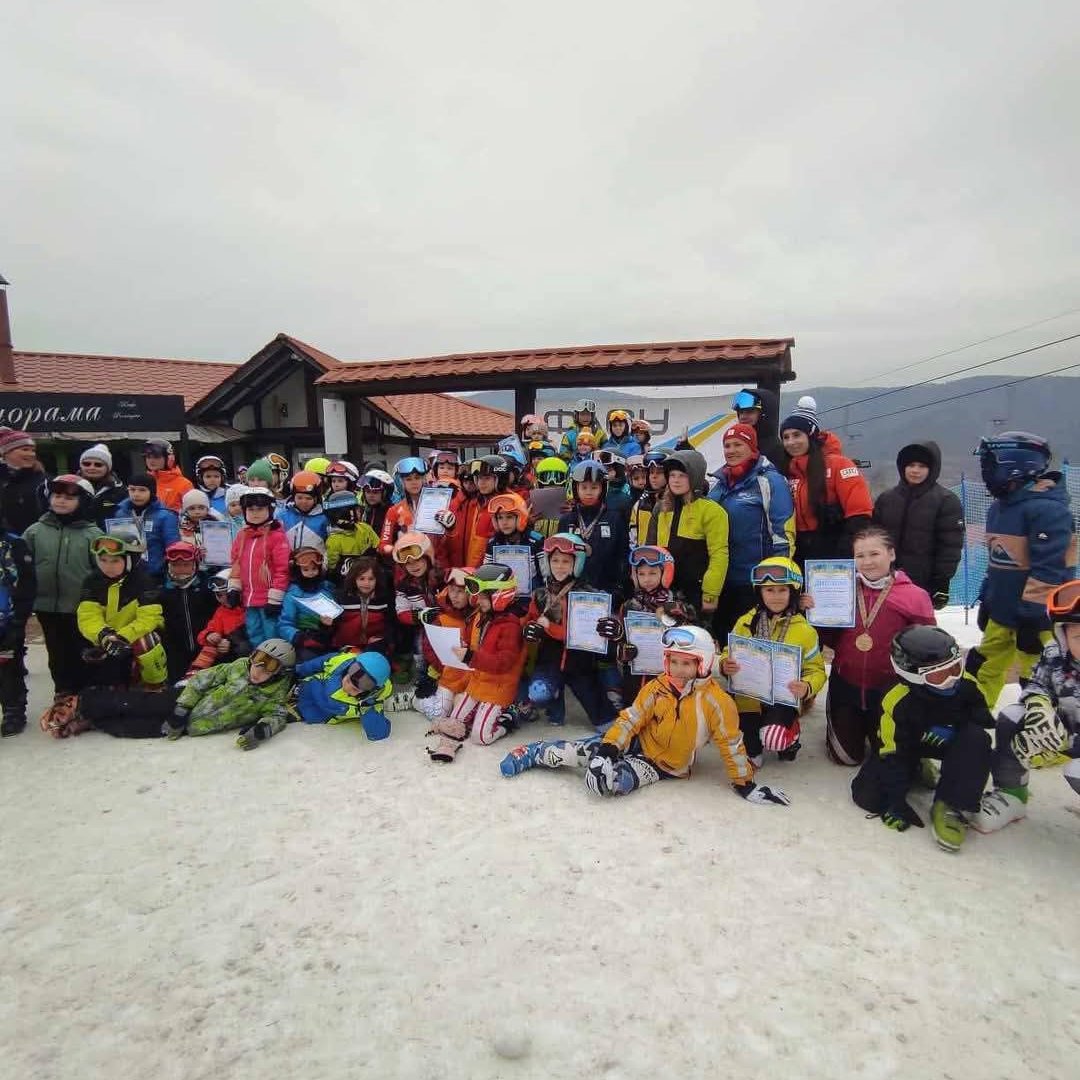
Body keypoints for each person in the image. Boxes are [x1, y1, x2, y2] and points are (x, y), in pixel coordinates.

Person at [500, 624, 791, 807]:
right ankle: (536, 753)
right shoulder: (657, 687)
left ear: (703, 664)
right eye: (673, 662)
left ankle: (606, 770)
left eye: (687, 664)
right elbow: (631, 719)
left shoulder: (717, 702)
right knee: (582, 752)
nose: (678, 670)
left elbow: (731, 744)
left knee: (608, 784)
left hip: (665, 766)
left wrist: (746, 784)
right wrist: (608, 749)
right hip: (638, 741)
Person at [851, 626, 993, 853]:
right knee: (868, 796)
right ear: (911, 675)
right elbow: (890, 751)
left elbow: (983, 718)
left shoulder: (967, 685)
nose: (951, 680)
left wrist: (954, 725)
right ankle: (916, 767)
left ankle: (951, 803)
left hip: (952, 742)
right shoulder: (896, 700)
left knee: (977, 739)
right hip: (907, 745)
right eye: (938, 675)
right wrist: (895, 801)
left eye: (955, 668)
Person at [808, 526, 935, 766]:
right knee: (845, 758)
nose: (867, 562)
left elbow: (927, 648)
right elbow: (827, 638)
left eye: (874, 554)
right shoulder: (841, 588)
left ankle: (887, 730)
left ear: (891, 554)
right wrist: (815, 612)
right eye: (860, 555)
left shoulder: (915, 596)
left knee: (887, 757)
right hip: (847, 684)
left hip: (890, 689)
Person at [966, 431, 1075, 711]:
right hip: (1003, 612)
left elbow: (1051, 570)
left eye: (990, 464)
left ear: (1014, 465)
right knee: (983, 665)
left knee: (1038, 673)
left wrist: (1033, 617)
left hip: (1038, 618)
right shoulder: (998, 509)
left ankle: (1041, 723)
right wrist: (988, 599)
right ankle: (974, 718)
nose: (986, 473)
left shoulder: (1049, 511)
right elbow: (997, 562)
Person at [973, 579, 1080, 832]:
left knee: (1076, 770)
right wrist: (1039, 708)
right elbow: (1038, 684)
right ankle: (1012, 795)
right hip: (1068, 727)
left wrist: (1066, 742)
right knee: (1013, 717)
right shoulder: (1055, 654)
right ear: (1063, 635)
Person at [717, 558, 826, 767]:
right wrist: (724, 665)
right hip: (748, 698)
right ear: (760, 592)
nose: (776, 596)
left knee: (773, 738)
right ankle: (755, 741)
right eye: (769, 590)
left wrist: (807, 686)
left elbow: (817, 670)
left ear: (793, 592)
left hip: (783, 698)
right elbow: (728, 651)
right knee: (750, 757)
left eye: (782, 590)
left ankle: (789, 734)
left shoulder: (804, 630)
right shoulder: (745, 621)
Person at [501, 532, 614, 732]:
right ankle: (555, 703)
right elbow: (529, 619)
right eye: (555, 561)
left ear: (576, 564)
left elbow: (576, 633)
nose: (559, 566)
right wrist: (529, 629)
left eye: (565, 561)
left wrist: (548, 627)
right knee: (538, 692)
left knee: (604, 720)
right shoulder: (541, 594)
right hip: (550, 660)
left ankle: (604, 718)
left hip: (580, 664)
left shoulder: (588, 596)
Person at [425, 565, 526, 761]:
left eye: (483, 597)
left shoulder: (511, 625)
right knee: (455, 723)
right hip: (478, 681)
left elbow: (503, 662)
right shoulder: (484, 615)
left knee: (480, 736)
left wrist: (470, 657)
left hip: (498, 688)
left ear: (499, 596)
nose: (478, 601)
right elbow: (474, 642)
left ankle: (509, 717)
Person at [708, 422, 795, 639]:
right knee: (723, 642)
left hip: (755, 582)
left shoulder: (770, 480)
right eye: (727, 445)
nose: (731, 450)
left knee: (751, 643)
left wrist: (778, 579)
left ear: (752, 447)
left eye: (738, 444)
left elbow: (783, 533)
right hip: (723, 580)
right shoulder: (719, 483)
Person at [24, 475, 103, 710]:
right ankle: (63, 691)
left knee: (82, 650)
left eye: (69, 498)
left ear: (83, 501)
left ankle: (85, 694)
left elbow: (101, 572)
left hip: (81, 607)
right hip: (46, 605)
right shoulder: (35, 531)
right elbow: (21, 567)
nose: (61, 501)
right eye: (57, 495)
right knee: (57, 651)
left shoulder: (92, 534)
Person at [594, 544, 696, 713]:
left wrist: (679, 615)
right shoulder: (629, 606)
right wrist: (621, 646)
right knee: (633, 713)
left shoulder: (679, 605)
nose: (647, 579)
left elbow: (693, 639)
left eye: (652, 573)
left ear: (665, 574)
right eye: (641, 574)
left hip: (667, 676)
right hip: (635, 676)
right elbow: (622, 644)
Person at [872, 441, 964, 609]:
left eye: (922, 466)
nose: (915, 470)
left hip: (922, 582)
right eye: (911, 465)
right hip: (884, 579)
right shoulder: (886, 499)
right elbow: (874, 538)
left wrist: (942, 582)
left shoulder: (946, 501)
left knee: (917, 624)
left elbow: (950, 546)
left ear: (932, 469)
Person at [638, 449, 728, 617]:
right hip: (664, 591)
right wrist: (646, 584)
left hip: (695, 593)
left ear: (694, 477)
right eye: (672, 475)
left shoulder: (712, 511)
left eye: (682, 475)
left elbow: (719, 555)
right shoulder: (662, 508)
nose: (676, 480)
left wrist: (710, 593)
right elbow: (650, 549)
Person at [779, 404, 872, 563]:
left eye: (797, 435)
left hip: (834, 549)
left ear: (811, 436)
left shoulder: (839, 465)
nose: (791, 442)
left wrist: (845, 551)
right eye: (786, 437)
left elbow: (860, 512)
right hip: (798, 551)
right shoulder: (786, 470)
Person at [75, 534, 168, 689]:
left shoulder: (145, 581)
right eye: (103, 560)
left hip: (133, 637)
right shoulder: (92, 581)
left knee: (147, 643)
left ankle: (155, 687)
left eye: (115, 561)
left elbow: (149, 619)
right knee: (81, 647)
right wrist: (104, 635)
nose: (108, 566)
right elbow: (88, 616)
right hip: (105, 639)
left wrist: (122, 637)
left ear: (131, 560)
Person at [162, 638, 294, 745]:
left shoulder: (273, 695)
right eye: (257, 661)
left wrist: (261, 731)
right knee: (152, 705)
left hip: (200, 726)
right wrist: (182, 709)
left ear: (280, 674)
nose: (257, 671)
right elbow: (202, 679)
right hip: (185, 699)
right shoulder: (238, 667)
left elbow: (277, 716)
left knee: (152, 729)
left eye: (267, 669)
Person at [558, 460, 629, 601]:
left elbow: (622, 556)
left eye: (594, 487)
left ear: (603, 489)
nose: (589, 492)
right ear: (576, 489)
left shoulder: (614, 519)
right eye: (584, 487)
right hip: (572, 591)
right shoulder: (567, 520)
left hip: (607, 591)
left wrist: (618, 590)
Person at [227, 487, 290, 643]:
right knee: (253, 631)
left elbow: (282, 569)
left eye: (260, 509)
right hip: (248, 597)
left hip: (268, 598)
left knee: (271, 633)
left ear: (270, 509)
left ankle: (274, 657)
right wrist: (234, 588)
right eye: (250, 509)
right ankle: (258, 656)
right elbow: (236, 563)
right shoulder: (242, 536)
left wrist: (275, 599)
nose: (255, 513)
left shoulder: (276, 536)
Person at [412, 566, 474, 724]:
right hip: (448, 675)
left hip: (472, 679)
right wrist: (442, 668)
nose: (455, 596)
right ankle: (413, 699)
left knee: (463, 715)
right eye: (451, 590)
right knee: (438, 713)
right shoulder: (440, 616)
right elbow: (429, 647)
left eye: (460, 591)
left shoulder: (480, 616)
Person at [292, 649, 393, 740]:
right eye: (354, 669)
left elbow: (378, 733)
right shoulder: (342, 662)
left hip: (313, 713)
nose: (352, 681)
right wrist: (298, 670)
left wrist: (366, 707)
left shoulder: (371, 703)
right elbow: (320, 662)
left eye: (365, 683)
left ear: (373, 690)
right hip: (306, 686)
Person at [159, 540, 217, 684]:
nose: (181, 570)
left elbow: (220, 616)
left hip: (205, 649)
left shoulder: (208, 587)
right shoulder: (162, 591)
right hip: (175, 652)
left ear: (195, 565)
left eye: (186, 565)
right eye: (176, 565)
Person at [0, 509, 35, 736]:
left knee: (8, 667)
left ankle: (13, 711)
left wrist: (20, 617)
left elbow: (27, 582)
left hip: (7, 619)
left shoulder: (14, 544)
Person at [277, 541, 338, 662]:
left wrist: (331, 624)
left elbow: (336, 613)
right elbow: (284, 623)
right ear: (297, 571)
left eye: (314, 569)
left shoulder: (327, 589)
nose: (311, 573)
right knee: (308, 658)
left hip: (327, 636)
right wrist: (299, 637)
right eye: (306, 569)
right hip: (305, 638)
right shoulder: (293, 594)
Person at [113, 474, 181, 580]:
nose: (136, 494)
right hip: (127, 572)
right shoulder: (120, 514)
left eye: (142, 490)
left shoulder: (165, 516)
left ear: (152, 491)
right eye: (132, 490)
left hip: (157, 574)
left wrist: (166, 570)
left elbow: (173, 547)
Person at [186, 569, 250, 676]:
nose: (223, 599)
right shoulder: (221, 611)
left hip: (247, 655)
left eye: (228, 595)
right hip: (230, 658)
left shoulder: (250, 610)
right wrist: (209, 636)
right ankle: (195, 673)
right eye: (219, 595)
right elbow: (206, 632)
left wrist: (230, 644)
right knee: (212, 645)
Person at [332, 556, 395, 657]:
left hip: (374, 645)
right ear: (354, 578)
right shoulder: (342, 597)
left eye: (371, 579)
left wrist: (384, 638)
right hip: (346, 645)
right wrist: (326, 624)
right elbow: (333, 625)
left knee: (372, 660)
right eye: (361, 579)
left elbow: (391, 624)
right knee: (352, 662)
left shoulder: (384, 598)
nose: (366, 583)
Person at [483, 492, 544, 594]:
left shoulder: (536, 541)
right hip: (501, 598)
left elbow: (546, 575)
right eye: (500, 518)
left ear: (521, 517)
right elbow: (486, 576)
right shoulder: (493, 543)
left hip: (531, 599)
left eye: (509, 517)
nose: (504, 522)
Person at [0, 427, 47, 535]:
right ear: (6, 453)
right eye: (25, 449)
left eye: (33, 450)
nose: (31, 454)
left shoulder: (45, 481)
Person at [324, 492, 381, 582]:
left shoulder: (365, 528)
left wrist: (373, 552)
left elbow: (378, 546)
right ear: (344, 513)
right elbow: (333, 568)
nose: (359, 512)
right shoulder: (334, 540)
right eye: (356, 510)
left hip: (370, 576)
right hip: (348, 581)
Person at [729, 388, 784, 465]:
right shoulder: (740, 444)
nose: (743, 417)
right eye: (741, 412)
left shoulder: (775, 451)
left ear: (764, 414)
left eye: (749, 411)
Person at [277, 470, 330, 549]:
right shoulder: (283, 515)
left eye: (308, 498)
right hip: (288, 556)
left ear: (316, 499)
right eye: (299, 498)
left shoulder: (324, 518)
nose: (304, 502)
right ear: (293, 497)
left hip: (315, 556)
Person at [78, 444, 126, 526]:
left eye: (98, 465)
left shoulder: (121, 491)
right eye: (86, 464)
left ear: (108, 468)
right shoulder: (71, 487)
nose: (92, 467)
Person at [141, 439, 193, 513]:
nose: (151, 460)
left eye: (156, 457)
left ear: (169, 459)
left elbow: (193, 512)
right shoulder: (144, 482)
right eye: (148, 457)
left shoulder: (184, 484)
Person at [528, 456, 569, 539]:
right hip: (537, 543)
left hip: (560, 543)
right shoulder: (530, 504)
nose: (551, 482)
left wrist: (572, 515)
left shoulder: (571, 504)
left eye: (558, 477)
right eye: (545, 477)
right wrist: (528, 522)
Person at [357, 469, 394, 538]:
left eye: (375, 492)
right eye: (368, 492)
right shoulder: (364, 512)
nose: (371, 495)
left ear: (385, 494)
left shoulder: (392, 512)